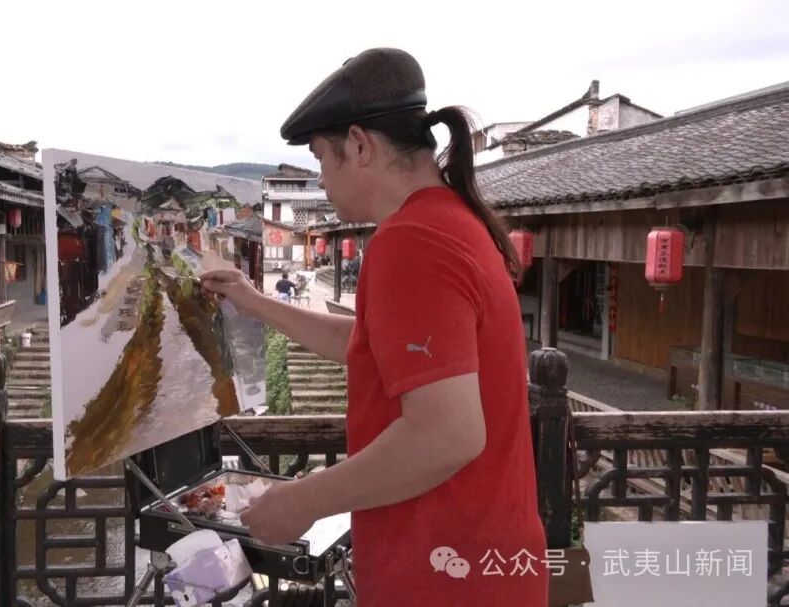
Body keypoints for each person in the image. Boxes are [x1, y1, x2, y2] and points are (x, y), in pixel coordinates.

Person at [202, 48, 547, 606]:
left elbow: (446, 435)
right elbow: (371, 346)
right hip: (485, 564)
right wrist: (256, 303)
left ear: (360, 145)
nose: (321, 179)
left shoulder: (410, 241)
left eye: (321, 157)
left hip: (443, 578)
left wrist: (304, 500)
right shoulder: (452, 221)